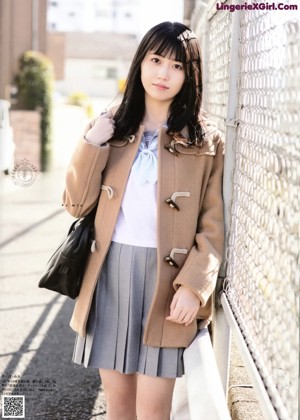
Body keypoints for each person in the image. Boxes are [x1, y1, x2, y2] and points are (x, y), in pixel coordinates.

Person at [63, 21, 224, 420]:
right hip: (110, 274)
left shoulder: (205, 141)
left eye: (176, 66)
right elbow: (75, 204)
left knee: (153, 412)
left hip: (167, 285)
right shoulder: (112, 128)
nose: (163, 73)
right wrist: (93, 142)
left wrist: (193, 287)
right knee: (119, 409)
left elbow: (213, 224)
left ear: (191, 75)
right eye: (155, 60)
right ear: (140, 64)